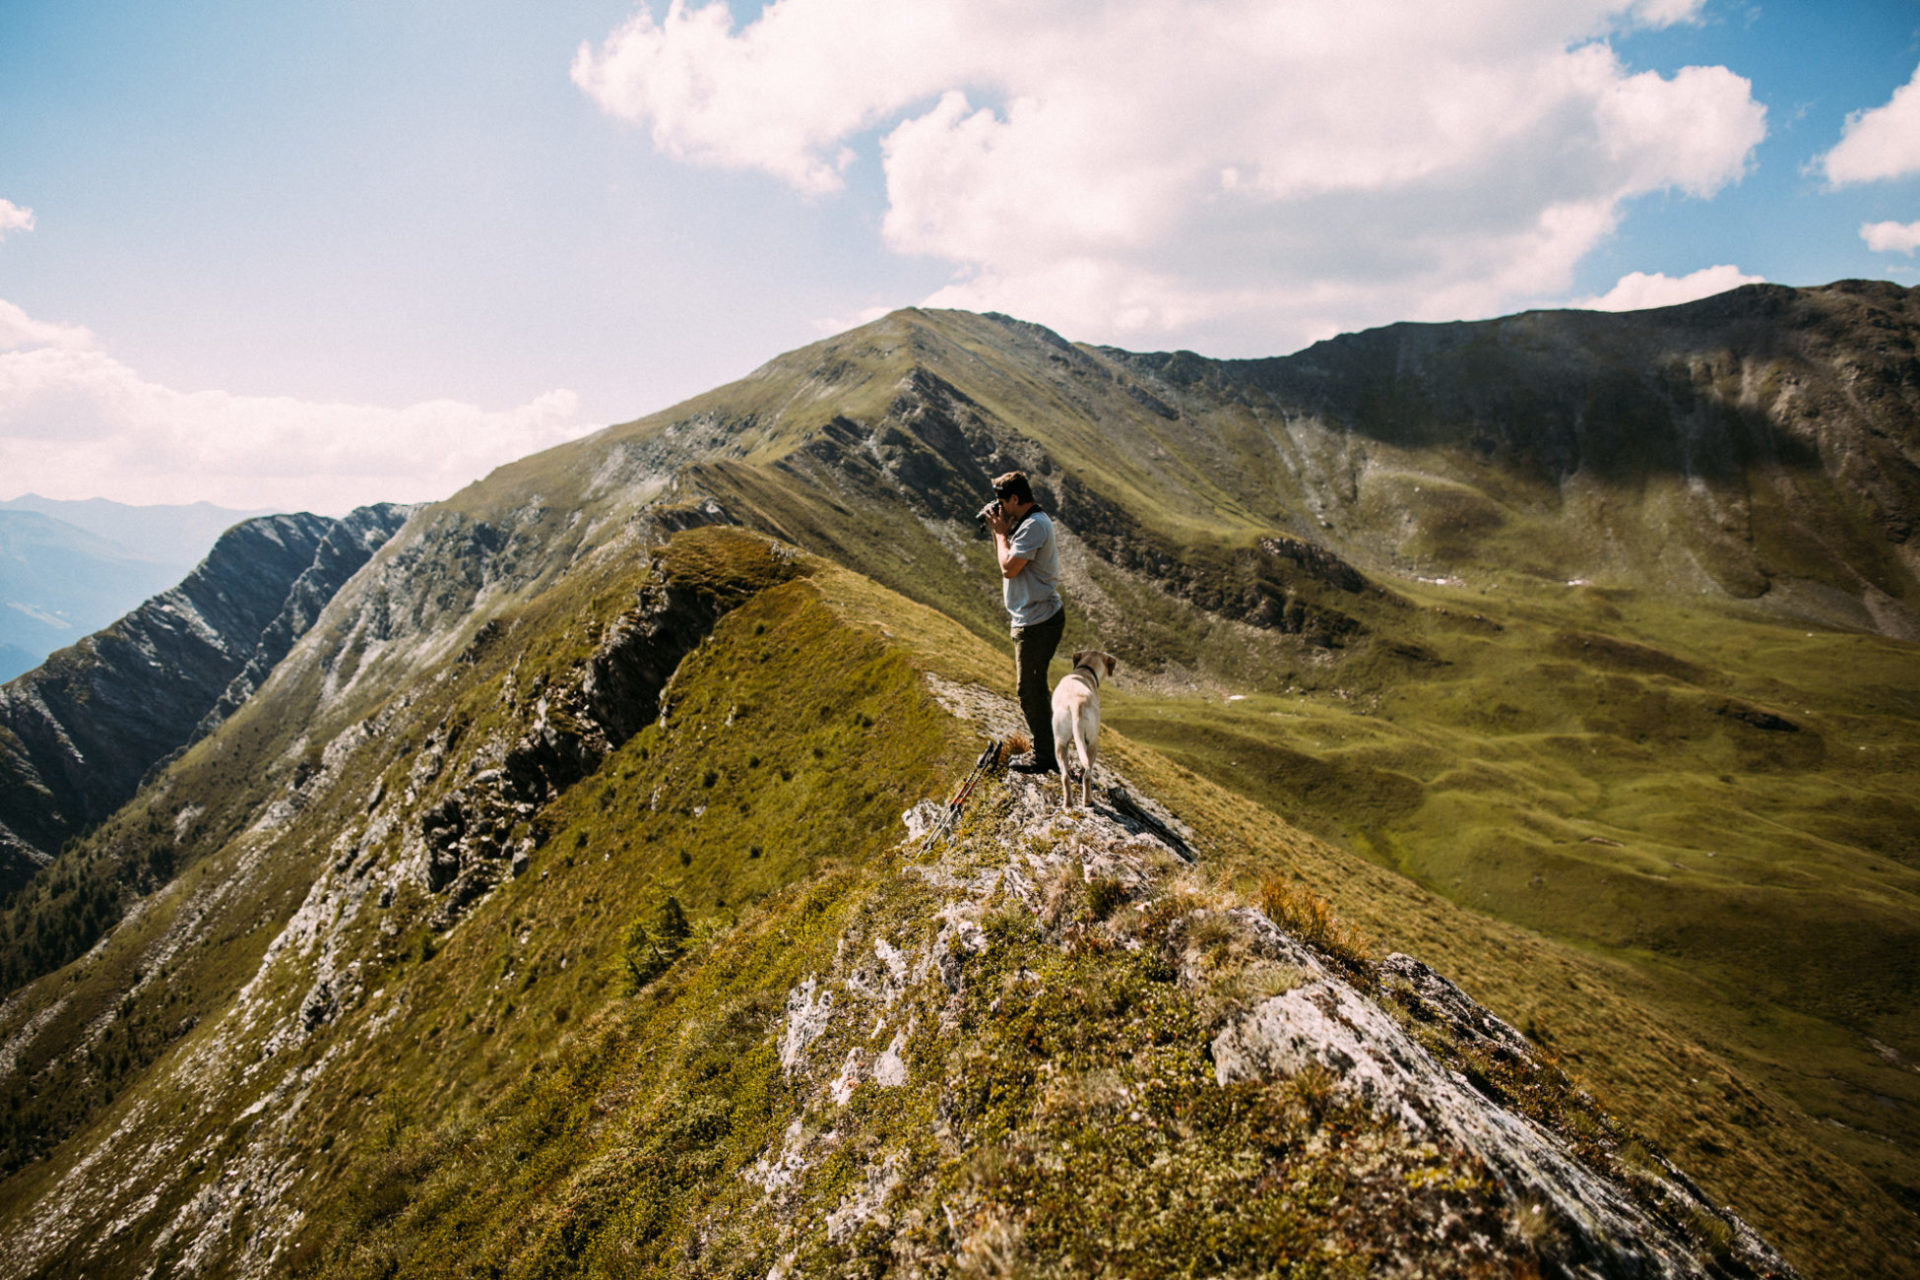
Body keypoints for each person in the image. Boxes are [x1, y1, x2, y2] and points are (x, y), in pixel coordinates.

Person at [983, 471, 1064, 774]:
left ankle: (1046, 756)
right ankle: (1055, 743)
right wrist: (1002, 531)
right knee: (1036, 687)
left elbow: (1009, 569)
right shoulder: (1030, 522)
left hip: (1037, 621)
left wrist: (1000, 533)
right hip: (1032, 616)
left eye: (1003, 501)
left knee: (1028, 689)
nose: (1000, 507)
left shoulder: (1033, 526)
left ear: (1015, 499)